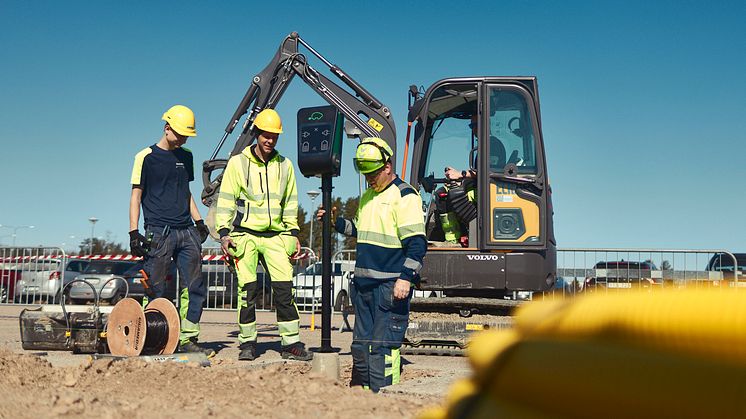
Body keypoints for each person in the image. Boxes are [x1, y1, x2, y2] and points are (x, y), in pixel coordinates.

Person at [317, 137, 427, 392]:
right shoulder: (368, 195)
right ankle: (364, 398)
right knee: (361, 345)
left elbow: (417, 244)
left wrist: (406, 277)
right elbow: (360, 228)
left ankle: (385, 399)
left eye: (373, 173)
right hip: (364, 285)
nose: (369, 178)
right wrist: (335, 223)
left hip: (389, 285)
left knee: (382, 346)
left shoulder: (405, 196)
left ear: (387, 166)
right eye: (366, 173)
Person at [214, 108, 312, 362]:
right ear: (257, 133)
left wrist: (292, 233)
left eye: (275, 136)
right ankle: (247, 343)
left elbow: (291, 202)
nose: (270, 140)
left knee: (284, 290)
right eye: (266, 135)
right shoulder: (238, 163)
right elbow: (225, 200)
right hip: (243, 236)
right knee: (247, 291)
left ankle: (290, 343)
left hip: (276, 236)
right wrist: (224, 234)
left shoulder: (285, 166)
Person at [129, 104, 213, 357]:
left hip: (186, 230)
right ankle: (152, 336)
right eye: (180, 134)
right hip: (158, 231)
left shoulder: (186, 156)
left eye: (187, 135)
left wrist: (199, 222)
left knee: (195, 286)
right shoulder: (145, 157)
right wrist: (134, 232)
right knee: (155, 288)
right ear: (167, 129)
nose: (184, 139)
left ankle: (188, 338)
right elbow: (136, 195)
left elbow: (186, 193)